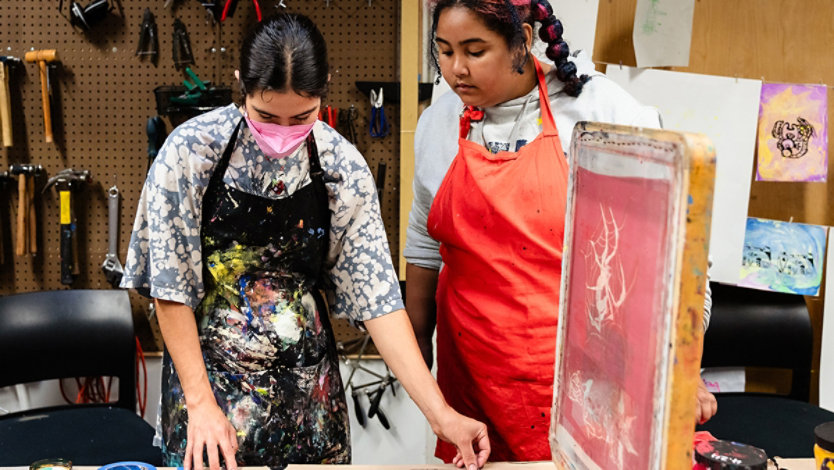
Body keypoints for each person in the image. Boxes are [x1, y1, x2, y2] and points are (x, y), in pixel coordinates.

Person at [121, 13, 489, 470]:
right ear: (241, 86)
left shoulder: (341, 167)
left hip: (309, 402)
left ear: (324, 91)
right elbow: (171, 290)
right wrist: (200, 405)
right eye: (265, 115)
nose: (283, 133)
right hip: (210, 397)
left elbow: (379, 302)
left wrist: (441, 415)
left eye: (301, 117)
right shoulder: (191, 153)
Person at [404, 0, 715, 463]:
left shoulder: (600, 112)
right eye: (444, 51)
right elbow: (425, 245)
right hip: (474, 378)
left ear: (523, 41)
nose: (456, 69)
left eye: (475, 51)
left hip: (582, 384)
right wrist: (416, 356)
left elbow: (679, 255)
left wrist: (681, 369)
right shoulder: (438, 121)